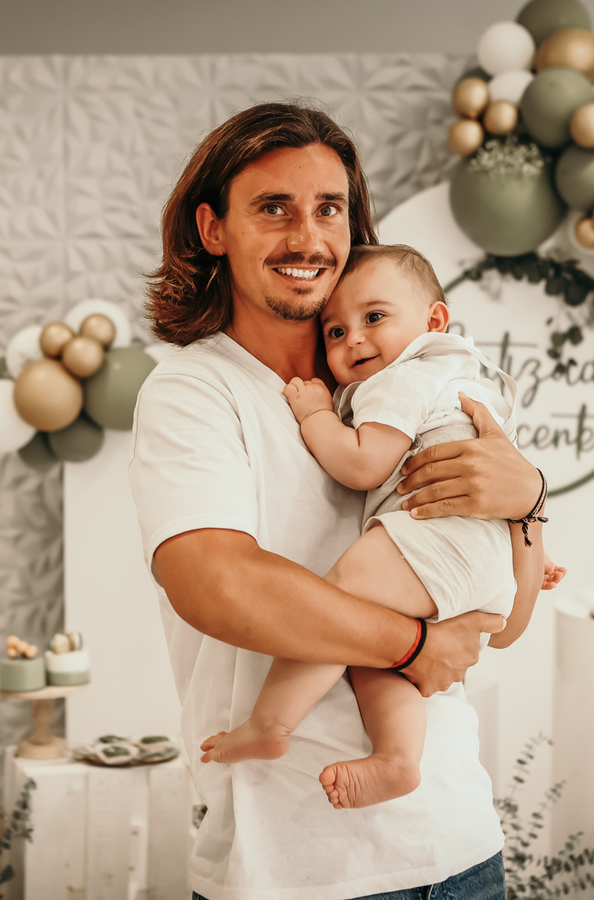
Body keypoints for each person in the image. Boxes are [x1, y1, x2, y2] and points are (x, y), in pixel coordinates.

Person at [128, 101, 546, 900]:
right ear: (214, 229)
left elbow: (498, 620)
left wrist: (527, 499)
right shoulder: (194, 389)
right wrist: (412, 644)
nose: (308, 236)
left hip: (456, 841)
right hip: (297, 866)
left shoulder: (403, 394)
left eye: (330, 208)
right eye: (273, 208)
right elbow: (218, 582)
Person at [198, 243, 565, 810]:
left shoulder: (410, 373)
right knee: (371, 648)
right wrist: (521, 551)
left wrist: (317, 415)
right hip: (468, 546)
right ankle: (396, 758)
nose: (354, 340)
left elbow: (364, 462)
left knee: (334, 604)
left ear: (433, 321)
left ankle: (270, 721)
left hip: (438, 538)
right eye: (336, 331)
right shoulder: (460, 378)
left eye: (374, 318)